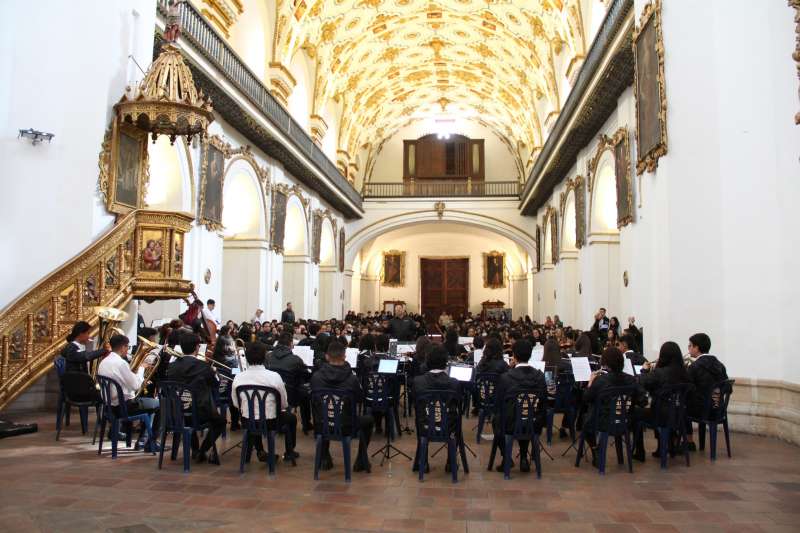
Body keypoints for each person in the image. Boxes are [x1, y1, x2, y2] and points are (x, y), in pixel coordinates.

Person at [310, 340, 373, 473]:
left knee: (325, 411)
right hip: (346, 425)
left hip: (322, 424)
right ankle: (361, 459)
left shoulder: (316, 377)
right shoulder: (352, 379)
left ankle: (324, 456)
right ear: (344, 356)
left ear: (327, 356)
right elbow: (360, 399)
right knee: (368, 420)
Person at [231, 342, 297, 463]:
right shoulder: (274, 376)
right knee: (291, 418)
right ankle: (289, 452)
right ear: (265, 357)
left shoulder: (238, 377)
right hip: (271, 422)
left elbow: (236, 404)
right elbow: (284, 404)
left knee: (254, 414)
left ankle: (260, 450)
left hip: (247, 421)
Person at [166, 333, 226, 464]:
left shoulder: (171, 367)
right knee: (220, 422)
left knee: (188, 414)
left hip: (176, 412)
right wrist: (213, 372)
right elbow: (216, 385)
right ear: (197, 347)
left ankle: (195, 449)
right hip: (199, 413)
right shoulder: (203, 366)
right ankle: (202, 450)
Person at [582, 347, 646, 463]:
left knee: (585, 420)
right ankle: (639, 451)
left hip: (603, 422)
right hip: (626, 421)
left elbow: (586, 398)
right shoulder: (631, 380)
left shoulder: (601, 380)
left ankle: (596, 449)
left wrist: (590, 382)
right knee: (638, 414)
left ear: (605, 363)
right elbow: (643, 401)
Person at [492, 339, 547, 472]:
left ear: (514, 356)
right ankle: (523, 457)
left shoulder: (506, 377)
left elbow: (498, 403)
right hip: (534, 423)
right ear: (530, 355)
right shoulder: (540, 376)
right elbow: (543, 402)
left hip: (510, 424)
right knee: (525, 415)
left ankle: (507, 457)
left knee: (497, 419)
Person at [97, 334, 160, 448]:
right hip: (123, 408)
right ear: (122, 347)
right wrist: (141, 369)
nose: (128, 350)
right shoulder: (121, 363)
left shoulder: (103, 362)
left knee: (150, 406)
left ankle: (143, 440)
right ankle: (148, 443)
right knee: (160, 404)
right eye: (127, 347)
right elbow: (136, 386)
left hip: (109, 408)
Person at [412, 345, 462, 472]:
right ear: (446, 362)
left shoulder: (418, 381)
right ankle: (451, 462)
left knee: (420, 415)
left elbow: (415, 404)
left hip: (425, 426)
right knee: (455, 419)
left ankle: (422, 461)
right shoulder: (454, 383)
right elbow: (460, 405)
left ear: (427, 361)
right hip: (448, 426)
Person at [637, 341, 690, 457]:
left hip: (661, 415)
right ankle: (666, 445)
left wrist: (644, 370)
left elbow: (643, 382)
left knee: (637, 413)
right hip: (680, 413)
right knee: (661, 407)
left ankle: (639, 452)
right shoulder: (684, 372)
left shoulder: (659, 373)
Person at [685, 333, 728, 450]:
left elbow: (687, 389)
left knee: (681, 406)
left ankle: (689, 442)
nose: (688, 349)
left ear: (697, 347)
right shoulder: (720, 365)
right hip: (718, 409)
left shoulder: (694, 367)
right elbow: (728, 388)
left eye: (690, 346)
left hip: (703, 411)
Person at [267, 331, 312, 434]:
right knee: (305, 393)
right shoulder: (296, 359)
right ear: (291, 344)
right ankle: (306, 424)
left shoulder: (268, 356)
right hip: (289, 395)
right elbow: (306, 376)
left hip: (269, 393)